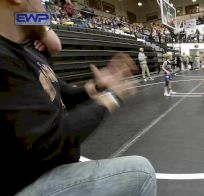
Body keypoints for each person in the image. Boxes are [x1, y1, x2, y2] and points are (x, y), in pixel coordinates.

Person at [0, 0, 157, 195]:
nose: (45, 7)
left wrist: (99, 86)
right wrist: (111, 97)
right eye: (41, 1)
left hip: (47, 171)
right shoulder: (6, 59)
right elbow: (50, 139)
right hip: (25, 183)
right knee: (140, 172)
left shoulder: (28, 54)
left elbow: (62, 92)